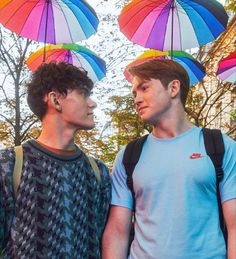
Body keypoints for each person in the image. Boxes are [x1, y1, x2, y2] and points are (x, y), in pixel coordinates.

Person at [102, 60, 236, 259]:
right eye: (134, 93)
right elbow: (117, 231)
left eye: (144, 88)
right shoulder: (129, 155)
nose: (137, 99)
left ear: (173, 88)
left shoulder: (220, 146)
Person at [0, 62, 111, 258]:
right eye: (83, 93)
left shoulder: (98, 171)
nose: (92, 103)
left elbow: (102, 242)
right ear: (55, 100)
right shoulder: (9, 164)